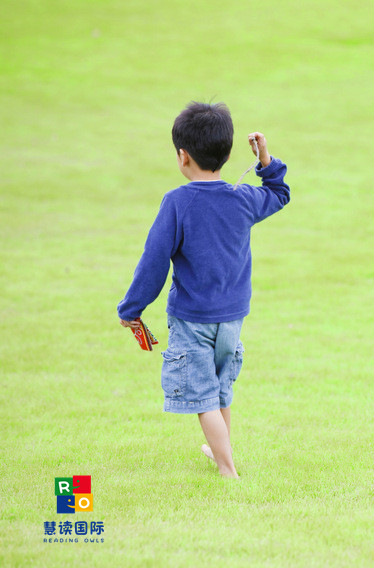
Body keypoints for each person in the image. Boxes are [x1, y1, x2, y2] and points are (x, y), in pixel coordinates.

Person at [117, 102, 290, 478]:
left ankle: (228, 469)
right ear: (227, 154)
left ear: (183, 156)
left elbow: (154, 261)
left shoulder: (177, 203)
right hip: (233, 317)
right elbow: (279, 194)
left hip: (193, 319)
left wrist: (132, 308)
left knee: (203, 397)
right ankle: (219, 451)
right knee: (220, 388)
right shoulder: (242, 198)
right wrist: (265, 159)